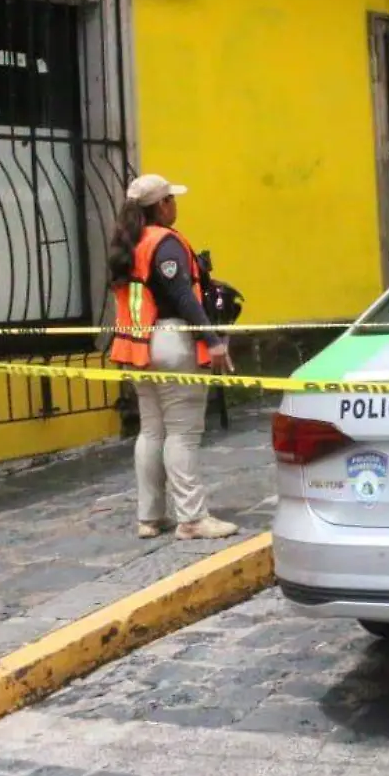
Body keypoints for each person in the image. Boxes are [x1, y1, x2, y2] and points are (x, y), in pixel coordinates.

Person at [107, 174, 239, 541]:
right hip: (171, 341)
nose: (175, 205)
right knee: (182, 433)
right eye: (171, 199)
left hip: (137, 346)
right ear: (161, 205)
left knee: (151, 431)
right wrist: (212, 340)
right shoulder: (164, 243)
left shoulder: (127, 243)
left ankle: (149, 517)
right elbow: (184, 297)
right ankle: (193, 518)